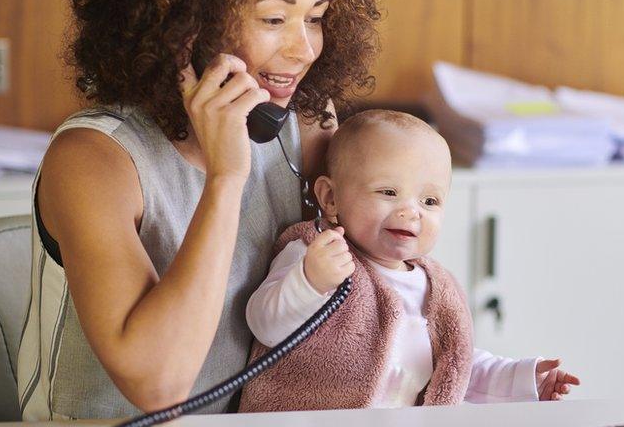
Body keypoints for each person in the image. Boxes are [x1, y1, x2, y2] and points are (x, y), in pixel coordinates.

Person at [16, 0, 379, 420]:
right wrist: (227, 178)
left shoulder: (307, 125)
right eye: (273, 19)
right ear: (186, 22)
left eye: (315, 18)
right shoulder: (93, 159)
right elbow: (158, 384)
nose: (303, 50)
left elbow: (381, 284)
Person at [241, 110, 580, 411]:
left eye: (430, 200)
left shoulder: (436, 288)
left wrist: (521, 379)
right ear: (330, 198)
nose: (411, 211)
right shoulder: (315, 253)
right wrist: (309, 283)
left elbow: (455, 366)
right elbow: (265, 326)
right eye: (388, 192)